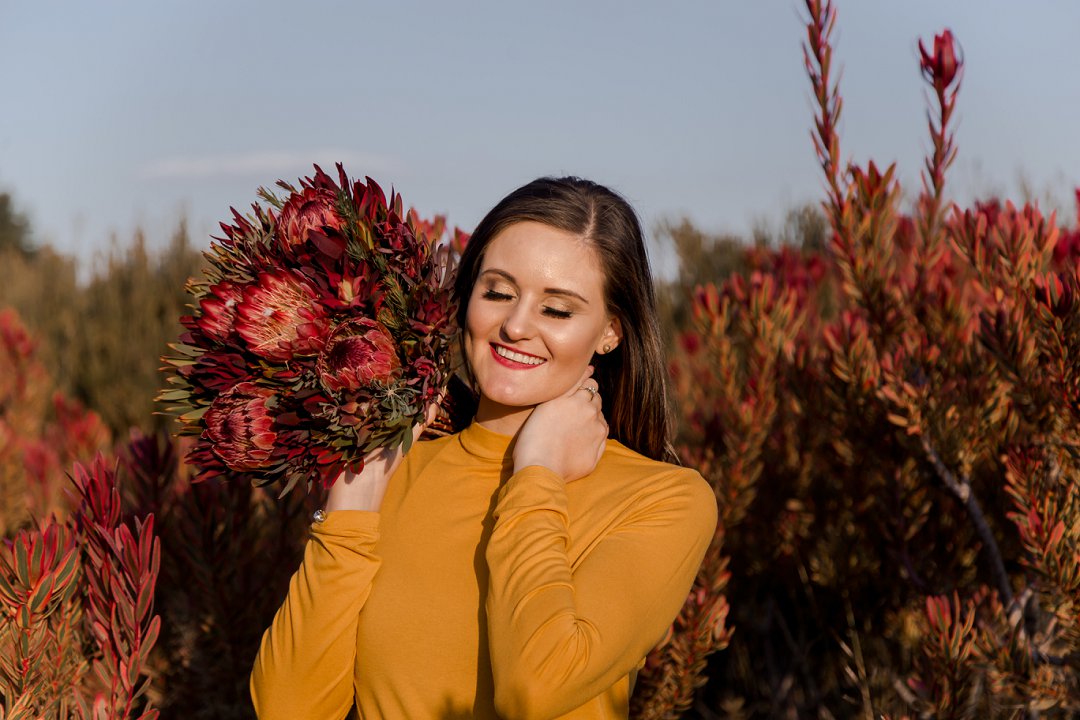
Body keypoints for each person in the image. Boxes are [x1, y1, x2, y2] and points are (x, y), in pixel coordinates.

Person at [250, 177, 717, 719]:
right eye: (497, 292)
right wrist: (348, 519)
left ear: (611, 332)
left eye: (557, 310)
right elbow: (286, 710)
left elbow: (535, 689)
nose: (515, 326)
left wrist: (536, 471)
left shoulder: (664, 499)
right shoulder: (396, 471)